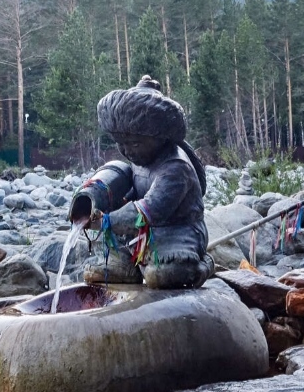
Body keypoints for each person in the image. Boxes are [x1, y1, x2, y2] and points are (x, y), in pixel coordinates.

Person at [83, 75, 214, 289]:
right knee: (107, 263)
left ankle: (203, 265)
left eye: (134, 143)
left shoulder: (175, 168)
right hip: (142, 233)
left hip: (178, 232)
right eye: (121, 144)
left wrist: (106, 220)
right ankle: (127, 266)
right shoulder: (140, 158)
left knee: (160, 275)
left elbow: (150, 210)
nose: (127, 151)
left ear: (160, 137)